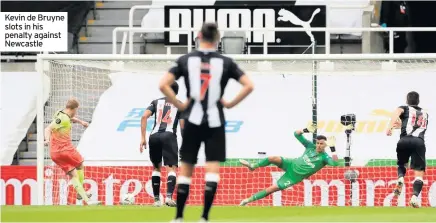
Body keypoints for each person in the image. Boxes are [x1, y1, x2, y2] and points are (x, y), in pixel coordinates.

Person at [159, 22, 254, 222]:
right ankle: (204, 217)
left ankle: (179, 217)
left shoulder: (186, 59)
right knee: (212, 168)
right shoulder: (226, 62)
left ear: (199, 36)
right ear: (218, 39)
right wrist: (229, 104)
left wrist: (179, 103)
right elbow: (249, 85)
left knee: (186, 168)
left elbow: (163, 84)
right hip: (215, 121)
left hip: (192, 119)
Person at [239, 122, 340, 206]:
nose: (318, 145)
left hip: (294, 177)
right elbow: (296, 134)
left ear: (326, 145)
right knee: (272, 158)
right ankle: (253, 166)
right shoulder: (310, 146)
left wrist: (333, 148)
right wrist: (306, 130)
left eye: (321, 143)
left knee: (272, 188)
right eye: (317, 143)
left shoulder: (325, 157)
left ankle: (247, 200)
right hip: (291, 163)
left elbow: (335, 163)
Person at [44, 98, 100, 205]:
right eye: (76, 110)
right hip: (65, 149)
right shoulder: (63, 119)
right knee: (80, 164)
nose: (76, 112)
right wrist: (47, 139)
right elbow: (48, 129)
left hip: (54, 154)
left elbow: (70, 118)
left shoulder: (59, 114)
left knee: (73, 175)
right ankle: (81, 193)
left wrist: (80, 122)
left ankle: (84, 197)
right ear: (73, 109)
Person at [140, 82, 184, 207]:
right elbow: (182, 127)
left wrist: (143, 138)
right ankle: (168, 197)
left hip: (153, 136)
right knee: (171, 168)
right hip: (169, 136)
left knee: (156, 167)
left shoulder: (155, 102)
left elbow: (144, 117)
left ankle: (156, 200)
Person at [386, 91, 428, 208]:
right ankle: (414, 197)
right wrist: (400, 125)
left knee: (402, 164)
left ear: (406, 101)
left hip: (404, 140)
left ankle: (400, 178)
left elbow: (396, 113)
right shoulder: (425, 114)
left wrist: (390, 127)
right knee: (419, 173)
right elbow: (416, 126)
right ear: (418, 101)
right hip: (418, 142)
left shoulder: (404, 108)